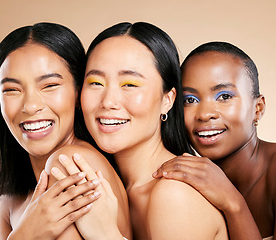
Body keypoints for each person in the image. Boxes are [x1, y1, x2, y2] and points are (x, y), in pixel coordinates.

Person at [49, 22, 229, 240]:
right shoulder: (100, 183)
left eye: (130, 84)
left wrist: (105, 235)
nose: (108, 102)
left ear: (167, 100)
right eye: (96, 83)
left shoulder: (175, 194)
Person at [153, 41, 276, 239]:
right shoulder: (195, 184)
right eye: (190, 100)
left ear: (258, 108)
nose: (205, 114)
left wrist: (234, 204)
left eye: (224, 96)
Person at [0, 22, 131, 240]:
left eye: (50, 85)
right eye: (12, 90)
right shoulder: (7, 203)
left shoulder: (70, 164)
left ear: (78, 92)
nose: (31, 106)